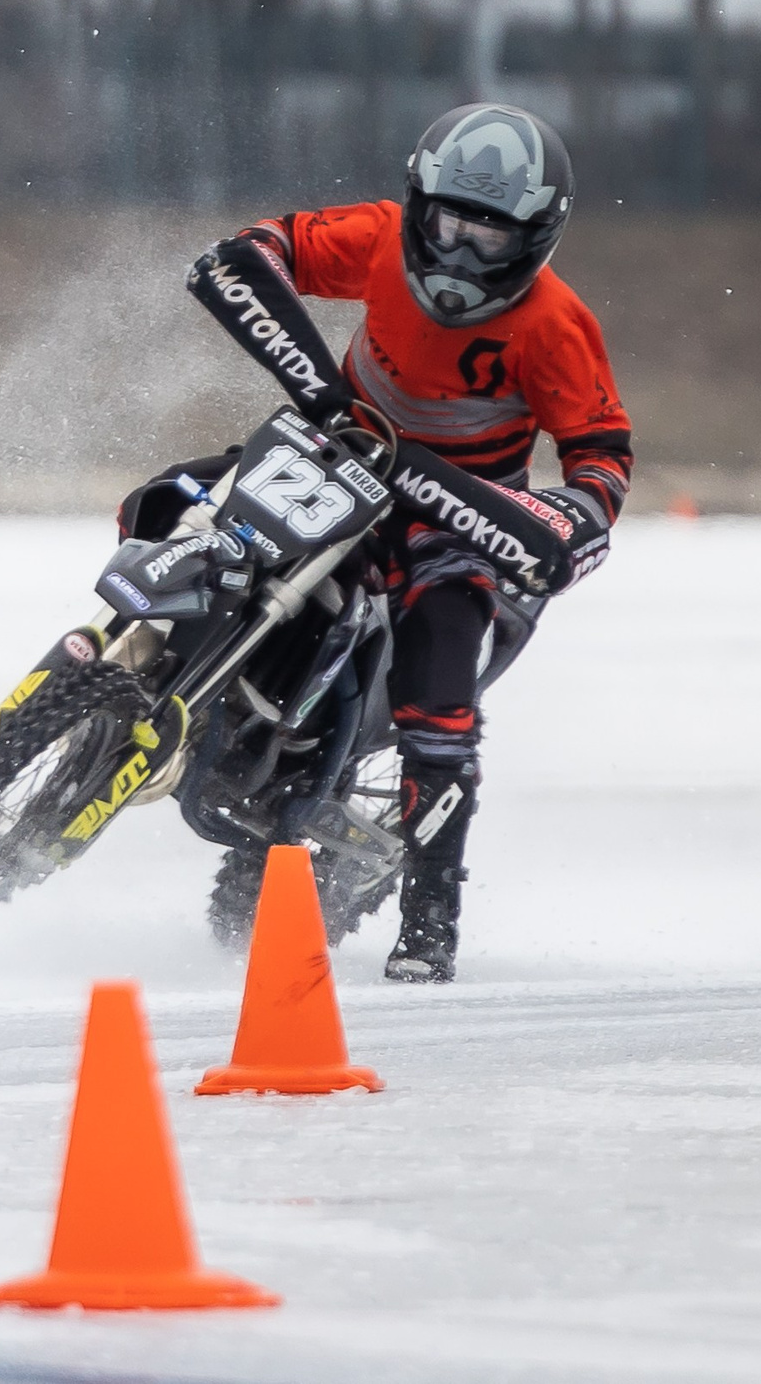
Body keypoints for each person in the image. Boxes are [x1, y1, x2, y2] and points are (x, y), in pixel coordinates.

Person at [222, 103, 632, 982]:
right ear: (418, 205)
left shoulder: (556, 325)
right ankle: (120, 665)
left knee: (438, 701)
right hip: (337, 456)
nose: (460, 254)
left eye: (490, 237)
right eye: (449, 224)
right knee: (178, 496)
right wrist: (319, 392)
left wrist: (566, 519)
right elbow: (254, 251)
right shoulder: (374, 237)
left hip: (455, 522)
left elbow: (602, 460)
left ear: (534, 240)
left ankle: (430, 920)